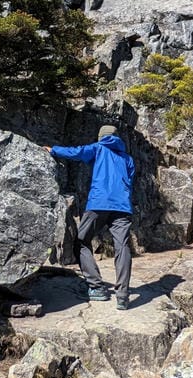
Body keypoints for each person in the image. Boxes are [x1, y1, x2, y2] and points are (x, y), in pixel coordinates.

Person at [46, 124, 135, 309]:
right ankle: (123, 296)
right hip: (122, 206)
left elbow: (77, 152)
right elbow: (130, 179)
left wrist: (53, 150)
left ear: (101, 136)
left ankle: (97, 287)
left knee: (81, 241)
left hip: (99, 203)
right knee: (122, 246)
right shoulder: (127, 158)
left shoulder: (98, 148)